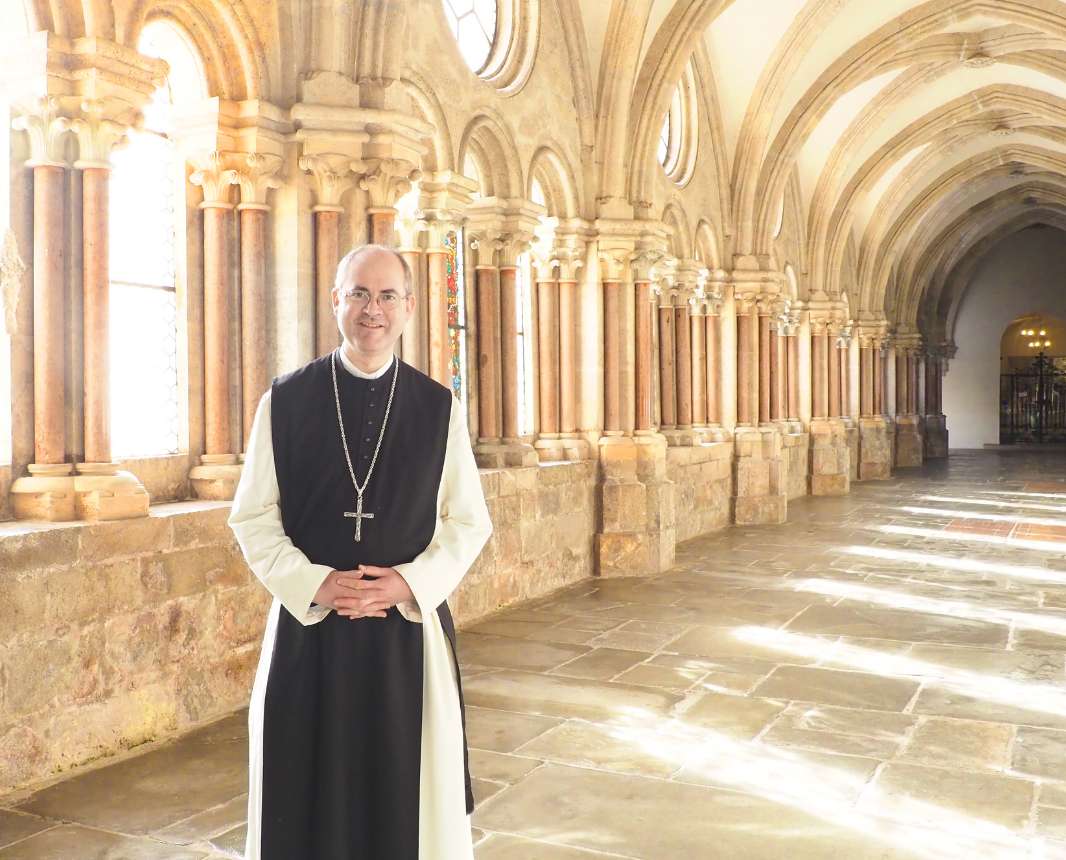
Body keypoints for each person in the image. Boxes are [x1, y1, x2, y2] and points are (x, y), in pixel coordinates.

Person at [228, 244, 492, 860]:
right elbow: (252, 516)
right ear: (335, 302)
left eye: (386, 295)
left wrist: (408, 584)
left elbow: (468, 522)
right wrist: (314, 583)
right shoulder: (286, 400)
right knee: (306, 789)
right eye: (359, 294)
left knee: (408, 794)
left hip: (406, 633)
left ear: (409, 306)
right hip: (309, 630)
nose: (372, 310)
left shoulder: (438, 408)